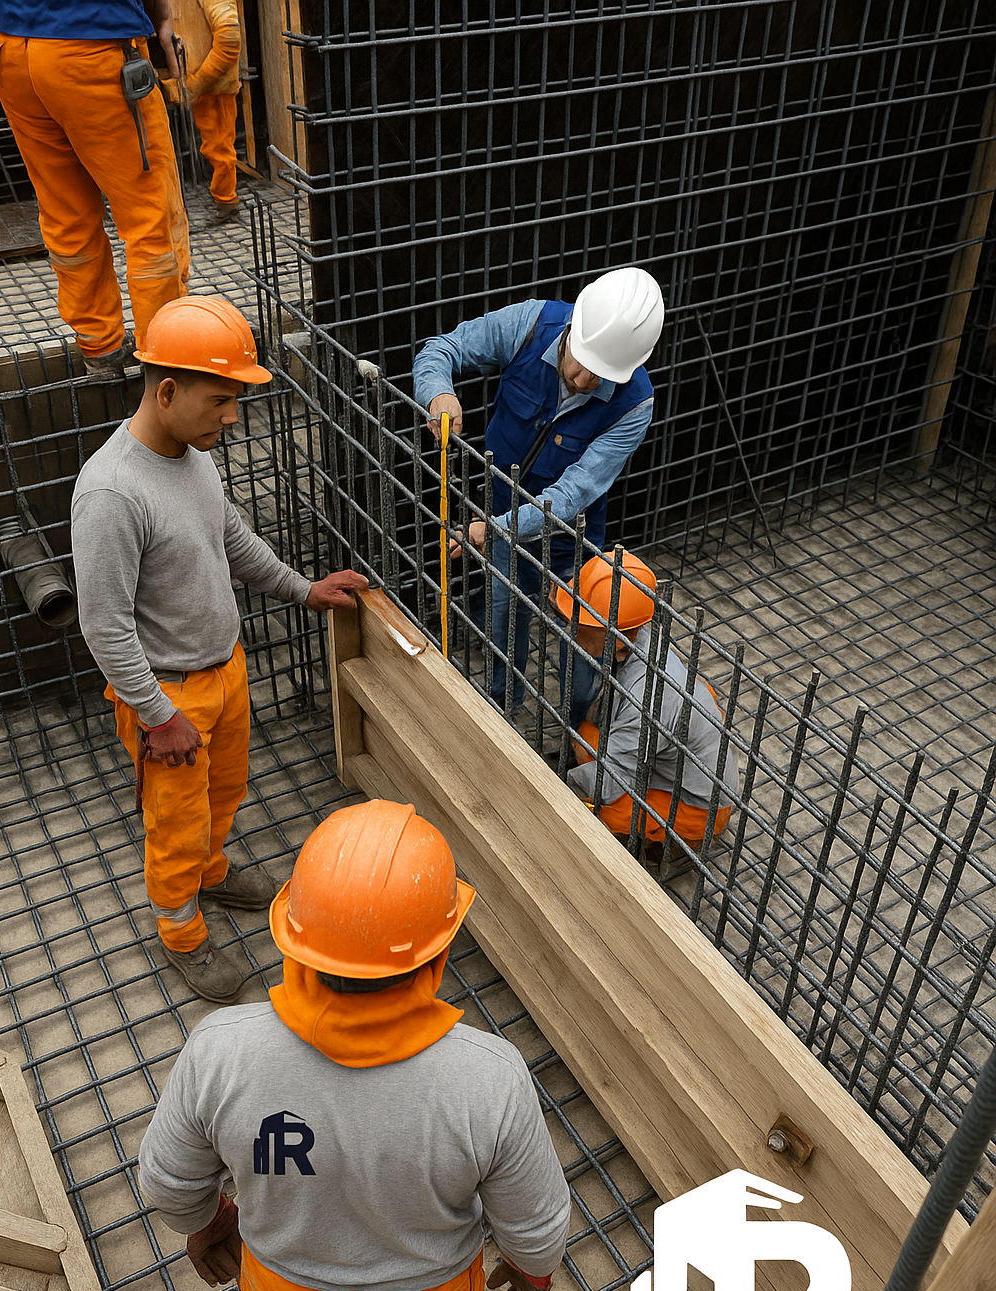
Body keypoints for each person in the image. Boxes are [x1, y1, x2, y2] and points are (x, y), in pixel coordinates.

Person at [137, 799, 571, 1291]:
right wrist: (532, 1278)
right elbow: (535, 1221)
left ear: (292, 941)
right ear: (438, 956)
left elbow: (167, 1181)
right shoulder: (488, 1078)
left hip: (282, 1285)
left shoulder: (221, 1050)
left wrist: (207, 1225)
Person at [71, 296, 368, 1002]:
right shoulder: (112, 494)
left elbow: (231, 538)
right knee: (175, 822)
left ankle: (211, 873)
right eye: (220, 401)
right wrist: (158, 716)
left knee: (224, 791)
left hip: (223, 671)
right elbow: (104, 626)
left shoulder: (192, 455)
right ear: (166, 392)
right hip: (168, 694)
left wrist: (303, 589)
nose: (233, 417)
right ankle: (181, 932)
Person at [412, 267, 663, 718]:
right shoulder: (530, 324)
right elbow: (442, 348)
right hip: (501, 508)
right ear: (574, 327)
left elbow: (572, 493)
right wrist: (438, 393)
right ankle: (502, 711)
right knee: (503, 623)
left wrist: (495, 529)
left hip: (571, 536)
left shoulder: (635, 404)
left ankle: (576, 724)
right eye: (581, 363)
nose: (584, 381)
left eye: (601, 375)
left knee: (584, 641)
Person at [0, 0, 190, 378]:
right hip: (93, 45)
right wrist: (162, 18)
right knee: (149, 214)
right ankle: (167, 361)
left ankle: (101, 346)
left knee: (65, 210)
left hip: (11, 51)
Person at [559, 552, 739, 850]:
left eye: (581, 623)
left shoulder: (648, 697)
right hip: (673, 761)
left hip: (698, 807)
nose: (571, 628)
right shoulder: (637, 638)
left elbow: (609, 781)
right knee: (584, 739)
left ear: (615, 636)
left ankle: (679, 841)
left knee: (599, 807)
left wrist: (558, 790)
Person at [174, 0, 242, 224]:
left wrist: (198, 82)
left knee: (219, 147)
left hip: (213, 84)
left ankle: (227, 203)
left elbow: (229, 39)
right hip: (195, 78)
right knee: (214, 146)